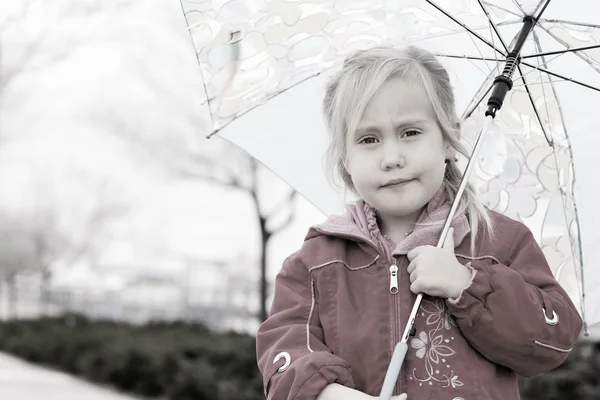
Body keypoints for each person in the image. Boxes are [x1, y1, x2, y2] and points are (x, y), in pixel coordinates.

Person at [255, 45, 583, 400]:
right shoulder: (316, 263)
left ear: (448, 139)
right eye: (368, 139)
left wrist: (467, 283)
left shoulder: (497, 242)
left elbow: (553, 340)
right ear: (344, 158)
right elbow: (283, 349)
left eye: (410, 132)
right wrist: (329, 394)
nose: (392, 158)